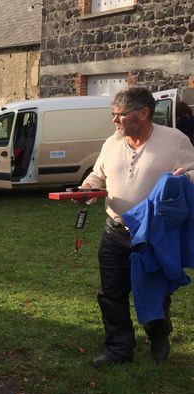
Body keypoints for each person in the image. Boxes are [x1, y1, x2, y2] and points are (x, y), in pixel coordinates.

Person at [81, 87, 194, 368]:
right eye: (113, 115)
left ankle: (158, 334)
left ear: (143, 113)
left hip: (154, 235)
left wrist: (186, 176)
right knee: (111, 293)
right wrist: (87, 187)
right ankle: (119, 349)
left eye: (120, 115)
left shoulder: (175, 140)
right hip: (115, 231)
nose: (115, 121)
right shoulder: (111, 143)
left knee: (155, 291)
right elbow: (98, 175)